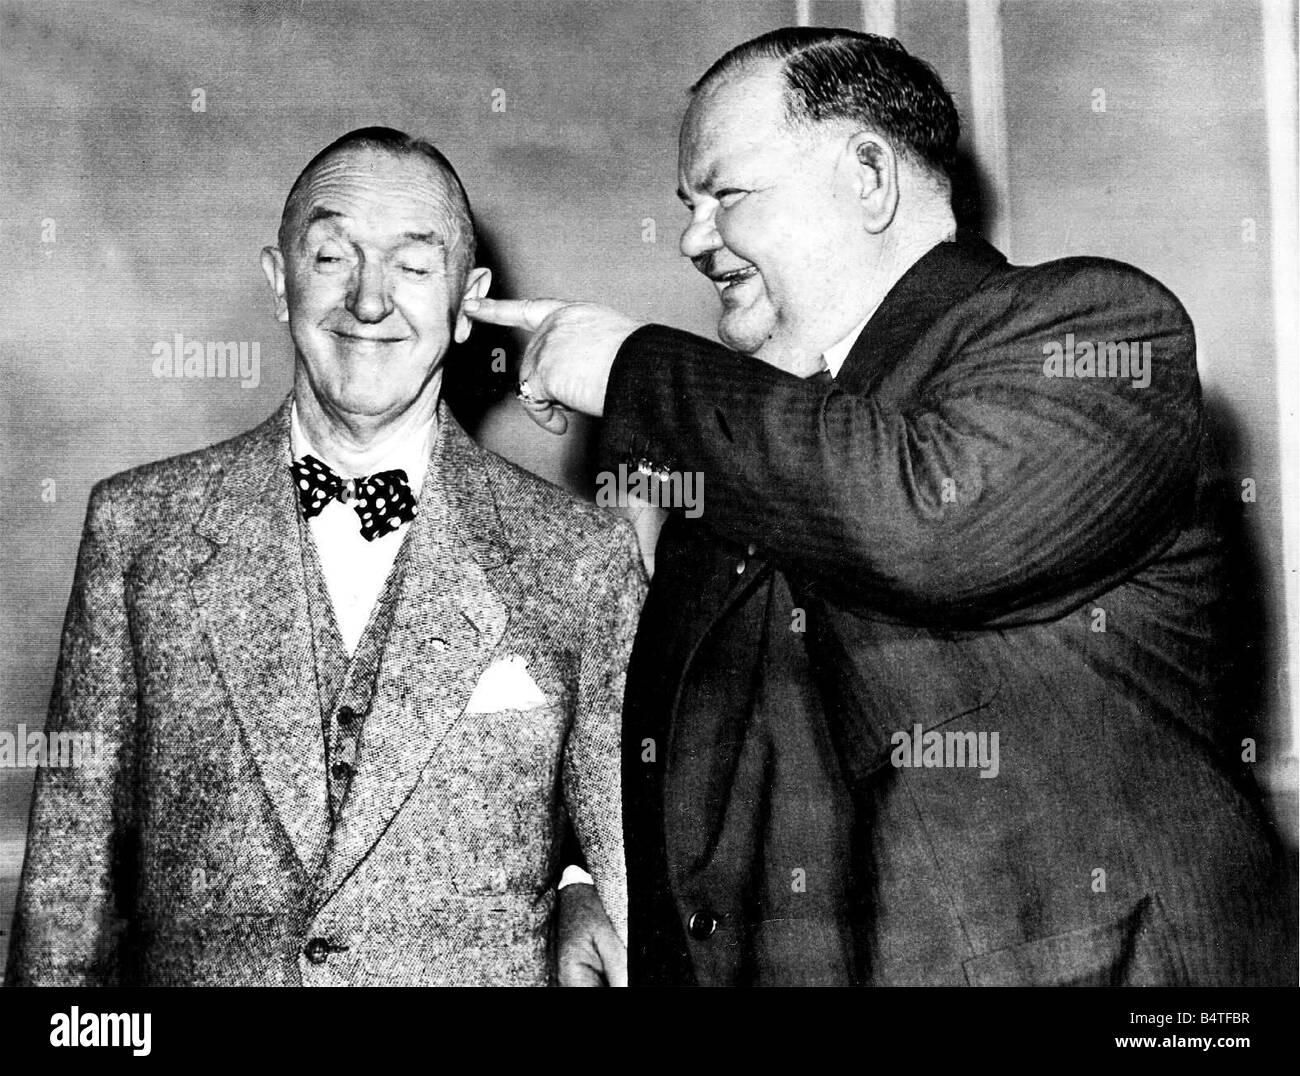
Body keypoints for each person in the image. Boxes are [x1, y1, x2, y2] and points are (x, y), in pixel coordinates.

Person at [466, 29, 1297, 985]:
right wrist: (583, 889)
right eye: (687, 208)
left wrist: (626, 367)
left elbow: (928, 524)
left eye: (724, 195)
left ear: (868, 175)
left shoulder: (1098, 328)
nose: (695, 240)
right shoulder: (745, 434)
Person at [6, 127, 640, 987]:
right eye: (333, 257)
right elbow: (67, 893)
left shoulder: (580, 557)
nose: (369, 302)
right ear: (279, 282)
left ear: (467, 302)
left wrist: (578, 887)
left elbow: (637, 861)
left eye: (414, 267)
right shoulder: (138, 531)